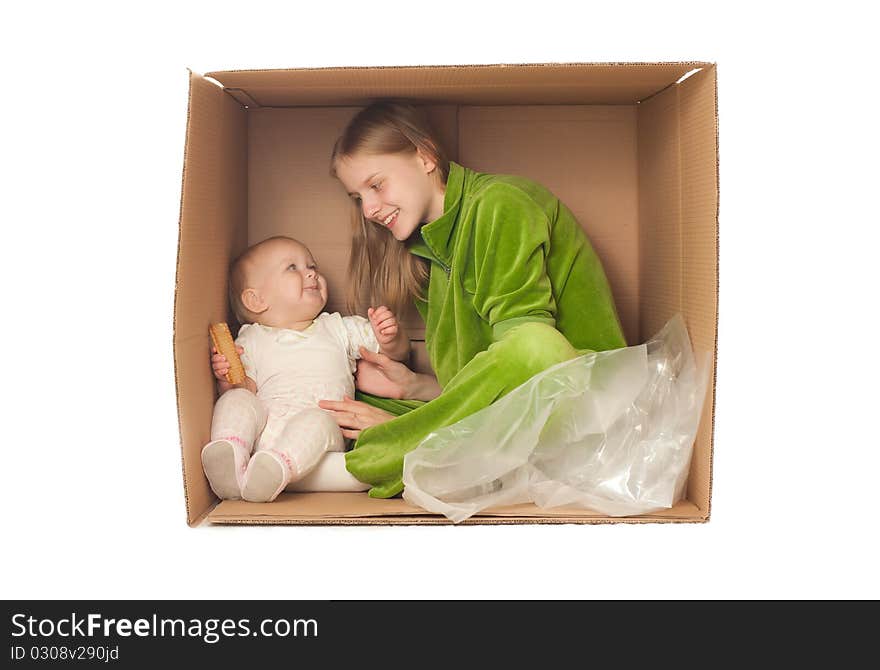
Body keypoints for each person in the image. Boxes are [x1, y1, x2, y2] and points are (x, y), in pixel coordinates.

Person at [318, 101, 627, 498]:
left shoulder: (500, 204)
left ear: (426, 157)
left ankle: (399, 450)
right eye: (357, 198)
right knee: (347, 400)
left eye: (376, 185)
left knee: (535, 343)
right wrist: (416, 388)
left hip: (586, 411)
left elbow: (533, 373)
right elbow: (485, 385)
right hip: (511, 417)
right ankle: (403, 448)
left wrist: (412, 429)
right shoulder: (427, 249)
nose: (370, 209)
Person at [204, 236, 409, 502]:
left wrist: (390, 338)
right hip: (260, 445)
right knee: (236, 399)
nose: (312, 272)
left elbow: (397, 355)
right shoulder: (250, 340)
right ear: (256, 300)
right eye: (293, 267)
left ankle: (277, 469)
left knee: (320, 419)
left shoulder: (338, 328)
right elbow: (247, 389)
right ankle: (231, 455)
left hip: (317, 448)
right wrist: (227, 380)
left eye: (312, 265)